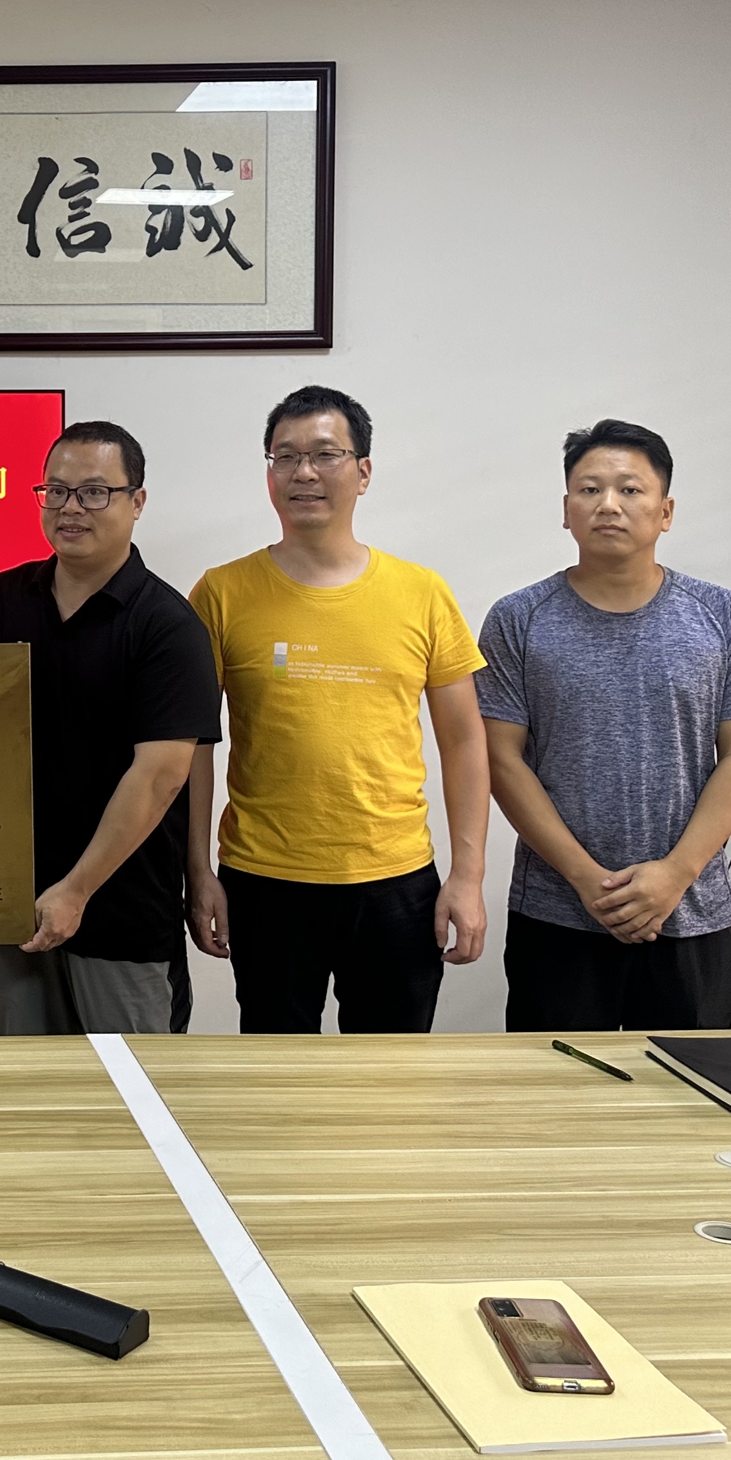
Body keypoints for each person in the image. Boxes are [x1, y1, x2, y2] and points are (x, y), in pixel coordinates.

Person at [186, 385, 488, 1034]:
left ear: (363, 471)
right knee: (277, 1072)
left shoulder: (421, 592)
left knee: (389, 1077)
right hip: (263, 879)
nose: (304, 472)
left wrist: (468, 877)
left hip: (396, 879)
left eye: (325, 454)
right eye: (286, 456)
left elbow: (465, 741)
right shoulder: (221, 592)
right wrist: (197, 870)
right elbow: (193, 745)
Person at [478, 420, 731, 1031]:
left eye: (630, 490)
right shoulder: (517, 619)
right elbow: (502, 760)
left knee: (686, 1085)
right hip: (557, 914)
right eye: (590, 489)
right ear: (566, 510)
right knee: (557, 1086)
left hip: (691, 911)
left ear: (666, 512)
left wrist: (675, 874)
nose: (608, 504)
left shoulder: (720, 614)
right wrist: (587, 880)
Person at [0, 421, 220, 1035]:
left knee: (128, 1086)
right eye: (56, 491)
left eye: (95, 492)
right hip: (12, 905)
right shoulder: (0, 601)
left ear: (136, 502)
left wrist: (75, 890)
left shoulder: (167, 625)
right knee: (30, 1081)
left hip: (123, 913)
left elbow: (159, 777)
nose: (70, 508)